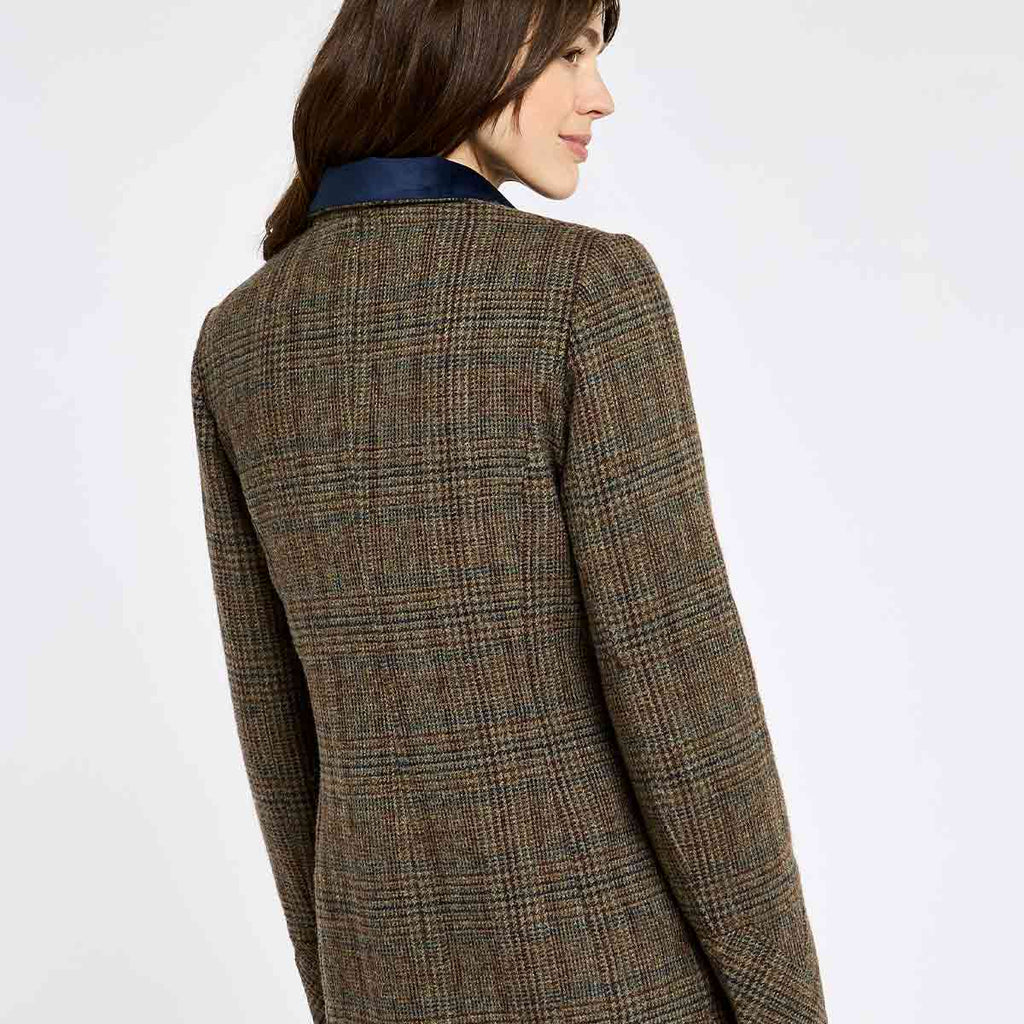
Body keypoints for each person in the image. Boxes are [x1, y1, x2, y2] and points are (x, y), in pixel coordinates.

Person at [190, 2, 829, 1022]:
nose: (599, 96)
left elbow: (276, 729)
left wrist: (337, 985)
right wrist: (785, 1003)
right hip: (610, 974)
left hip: (377, 975)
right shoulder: (584, 293)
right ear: (470, 42)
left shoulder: (240, 339)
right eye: (572, 53)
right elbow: (682, 694)